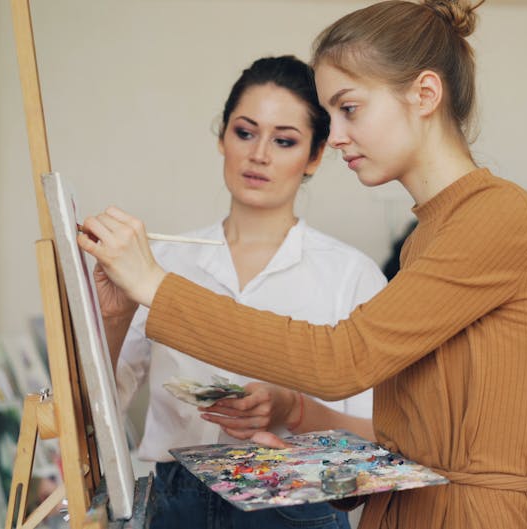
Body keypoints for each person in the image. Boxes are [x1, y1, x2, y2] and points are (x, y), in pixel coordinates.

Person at [80, 1, 527, 527]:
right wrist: (301, 437)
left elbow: (341, 359)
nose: (334, 137)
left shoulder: (497, 216)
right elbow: (403, 442)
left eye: (349, 109)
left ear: (425, 94)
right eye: (330, 116)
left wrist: (155, 284)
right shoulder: (430, 236)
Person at [102, 56, 385, 529]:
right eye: (245, 132)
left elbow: (381, 437)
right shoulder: (162, 265)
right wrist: (112, 317)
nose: (260, 155)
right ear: (222, 137)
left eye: (285, 140)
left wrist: (289, 408)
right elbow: (97, 408)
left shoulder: (352, 275)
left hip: (297, 501)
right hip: (177, 504)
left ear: (315, 156)